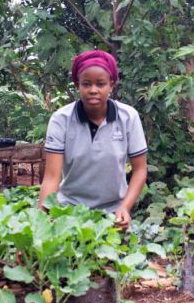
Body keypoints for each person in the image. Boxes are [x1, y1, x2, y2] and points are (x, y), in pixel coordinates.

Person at [38, 50, 148, 230]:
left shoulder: (128, 117)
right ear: (77, 85)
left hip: (113, 213)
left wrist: (124, 208)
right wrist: (40, 224)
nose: (93, 90)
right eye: (86, 84)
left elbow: (140, 170)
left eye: (101, 84)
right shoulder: (61, 120)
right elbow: (51, 177)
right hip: (69, 213)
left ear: (112, 84)